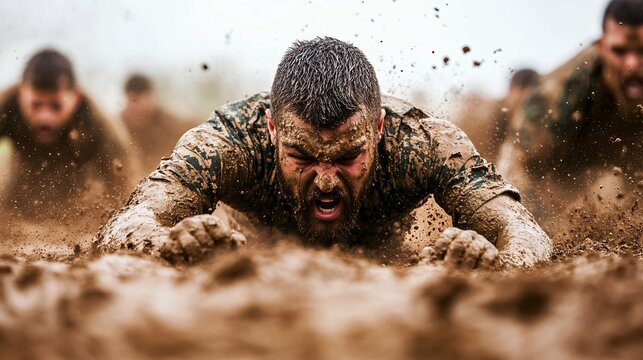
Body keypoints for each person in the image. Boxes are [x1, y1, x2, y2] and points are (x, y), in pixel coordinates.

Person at [95, 37, 551, 269]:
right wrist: (168, 242)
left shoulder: (422, 143)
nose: (327, 180)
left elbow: (523, 230)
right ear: (272, 129)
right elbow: (127, 222)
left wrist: (496, 260)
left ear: (377, 130)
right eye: (303, 157)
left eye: (348, 156)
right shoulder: (227, 143)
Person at [499, 0, 643, 214]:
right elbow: (516, 167)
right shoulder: (559, 92)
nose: (631, 64)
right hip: (567, 178)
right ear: (601, 48)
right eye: (619, 51)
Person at [0, 49, 130, 216]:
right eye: (36, 105)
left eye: (56, 106)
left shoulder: (94, 119)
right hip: (13, 209)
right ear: (21, 94)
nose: (45, 118)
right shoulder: (6, 105)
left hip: (75, 213)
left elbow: (126, 179)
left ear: (75, 98)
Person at [456, 69, 539, 164]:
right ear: (516, 90)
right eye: (531, 99)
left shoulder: (522, 118)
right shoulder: (491, 117)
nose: (531, 106)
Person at [121, 73, 196, 174]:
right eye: (133, 101)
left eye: (141, 102)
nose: (137, 108)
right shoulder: (119, 127)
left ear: (151, 98)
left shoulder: (175, 125)